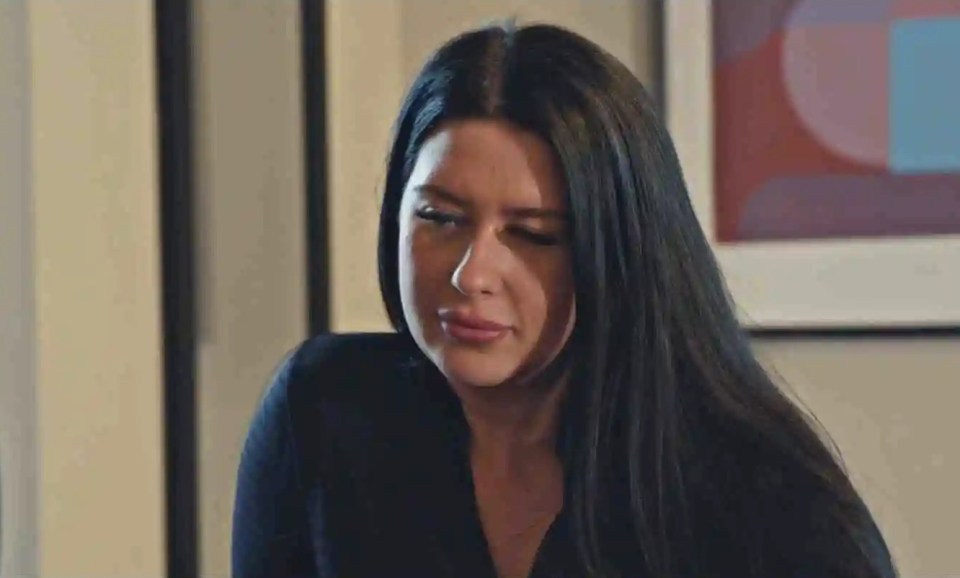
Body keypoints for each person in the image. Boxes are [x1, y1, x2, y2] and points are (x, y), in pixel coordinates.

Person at [232, 21, 897, 578]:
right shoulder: (325, 413)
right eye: (439, 218)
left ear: (620, 252)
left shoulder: (761, 501)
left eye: (533, 236)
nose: (472, 273)